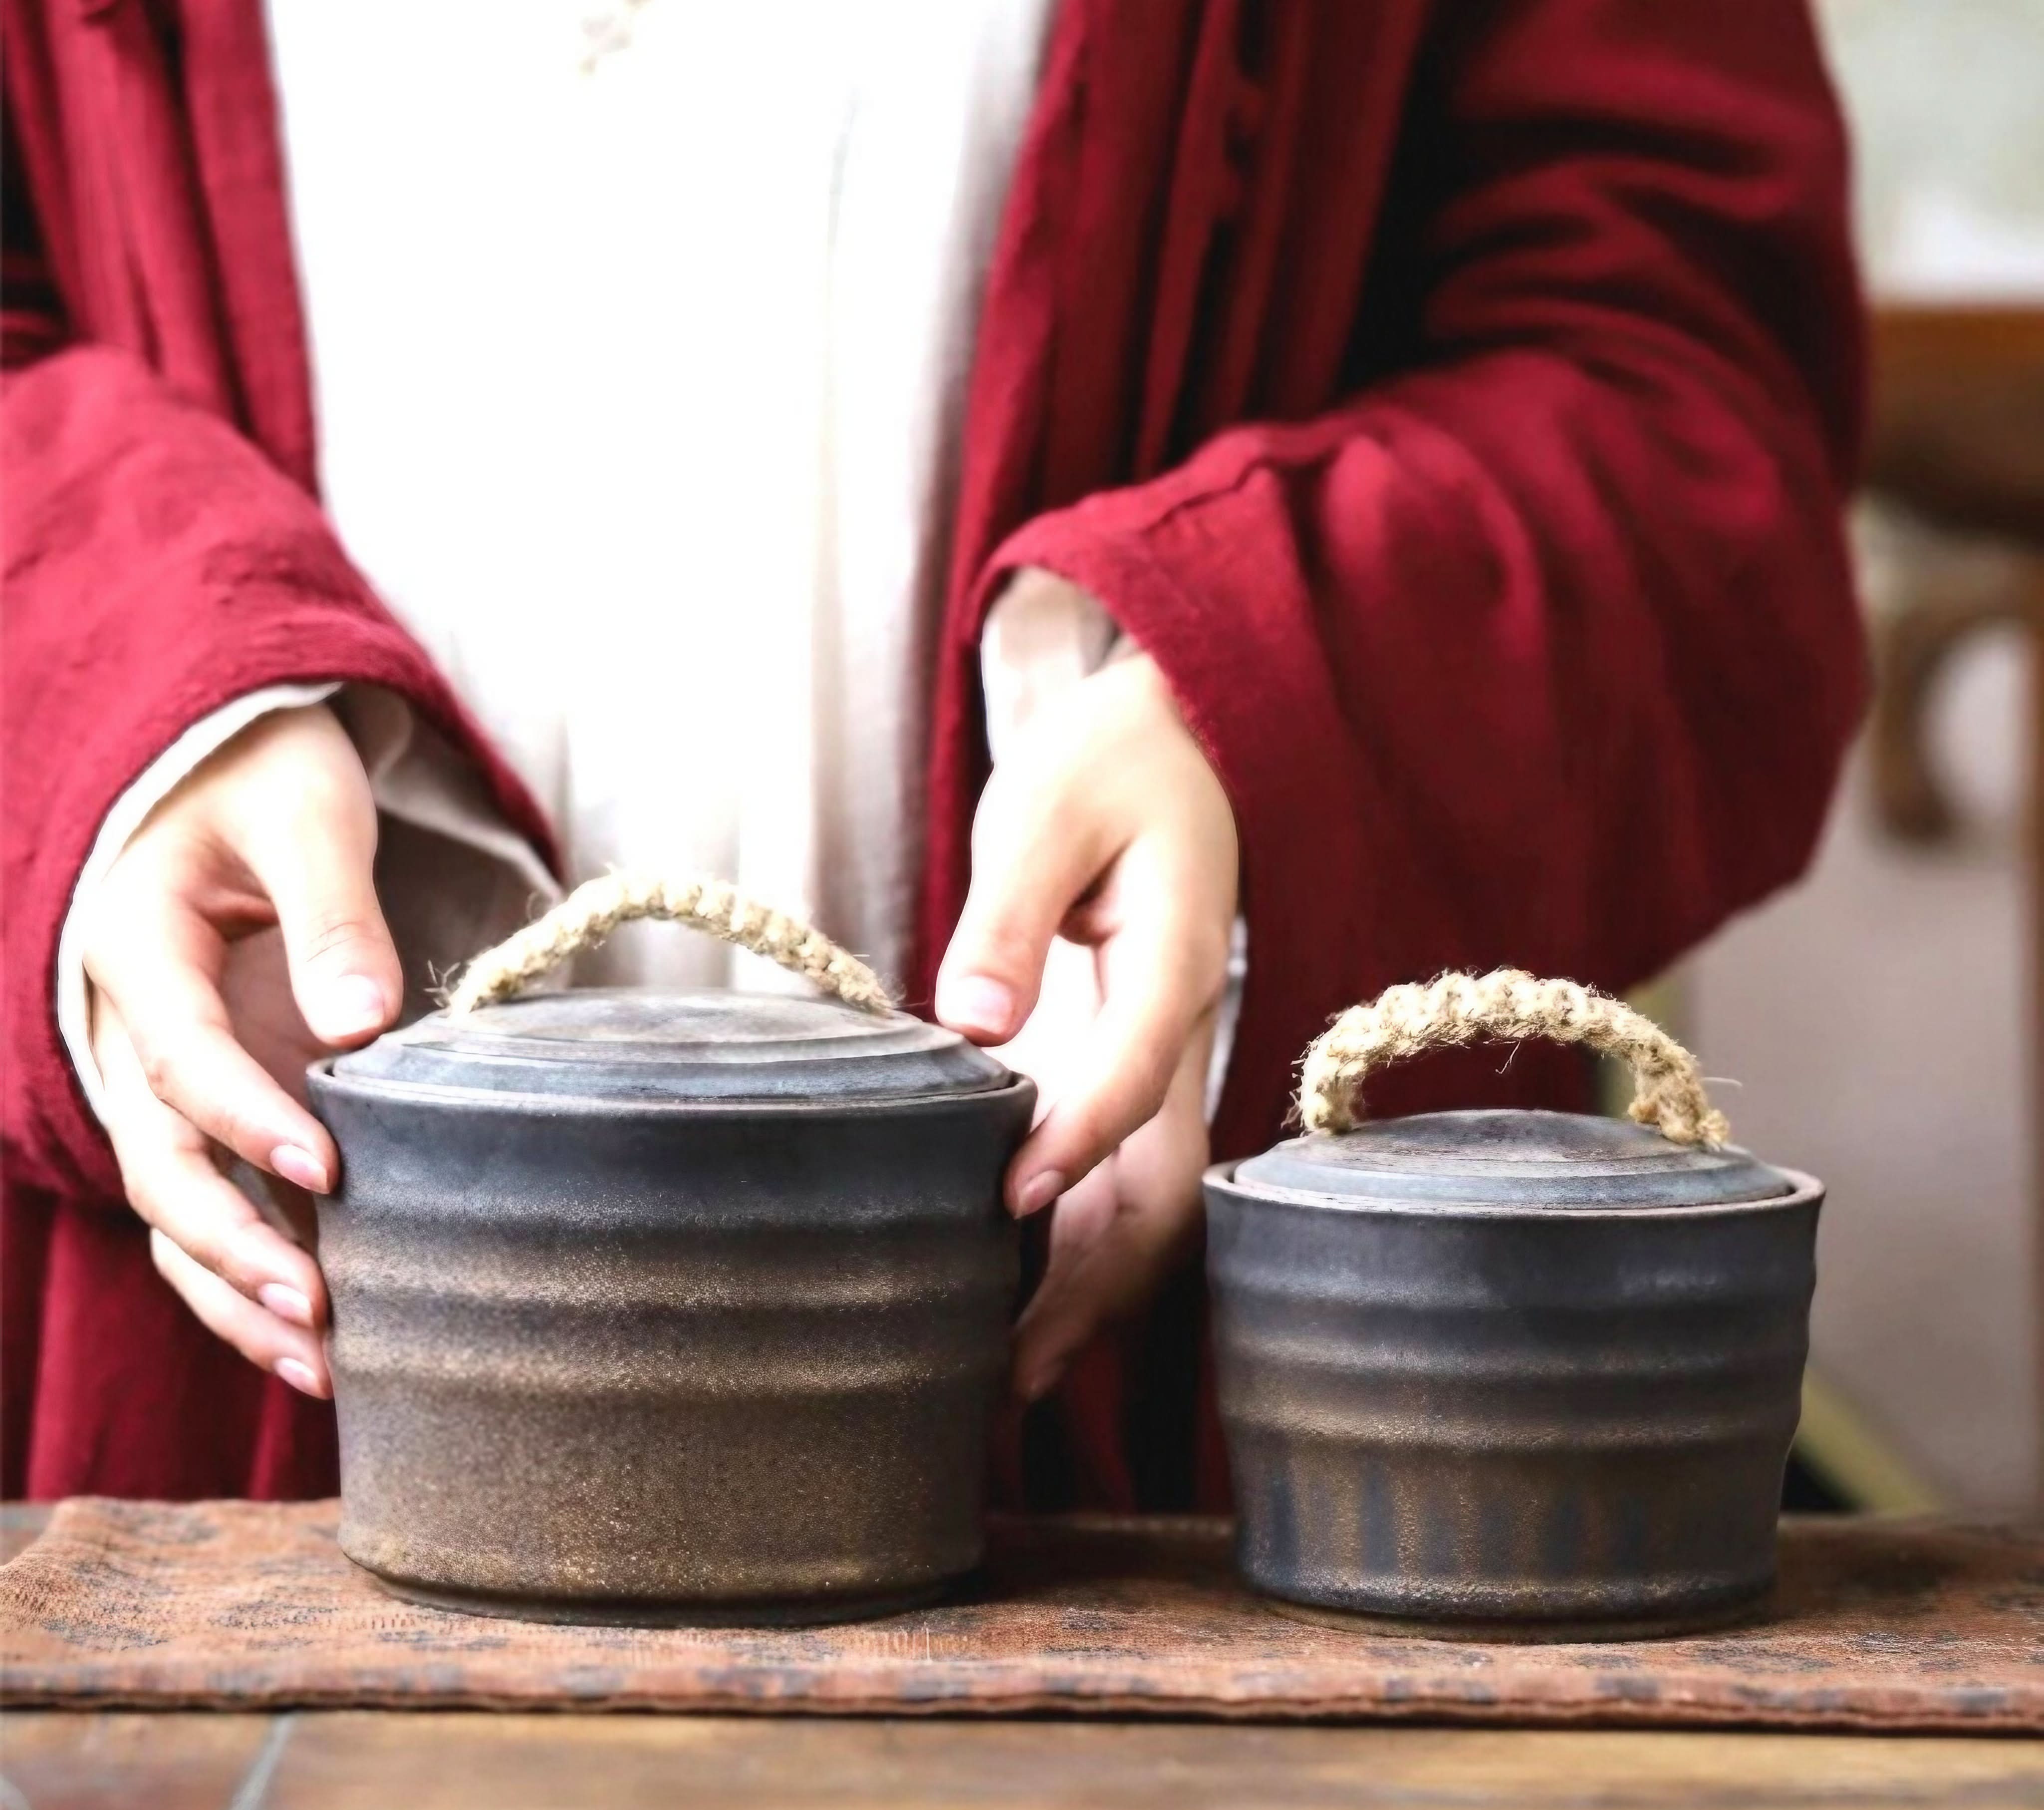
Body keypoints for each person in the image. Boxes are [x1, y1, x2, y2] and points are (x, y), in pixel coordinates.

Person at [1, 0, 1867, 1510]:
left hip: (1146, 1469)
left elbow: (1694, 425)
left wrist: (1259, 691)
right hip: (229, 1429)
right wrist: (107, 702)